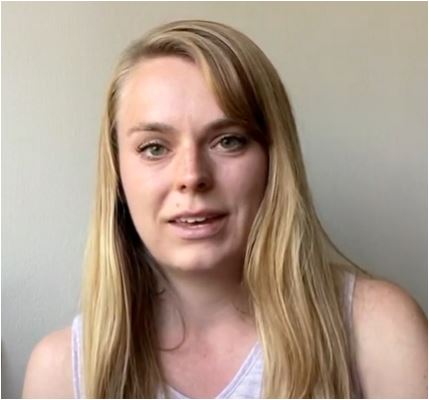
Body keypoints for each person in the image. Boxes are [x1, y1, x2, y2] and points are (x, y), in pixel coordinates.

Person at [22, 20, 427, 399]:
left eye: (228, 141)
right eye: (155, 148)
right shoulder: (61, 373)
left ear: (273, 162)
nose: (192, 176)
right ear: (118, 174)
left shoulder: (377, 332)